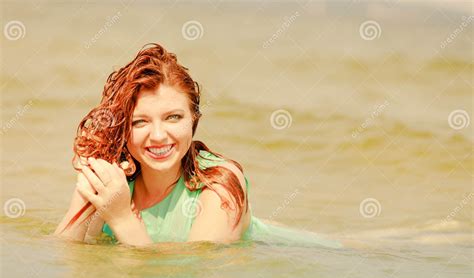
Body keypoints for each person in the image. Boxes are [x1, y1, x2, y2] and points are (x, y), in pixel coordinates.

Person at [55, 43, 341, 249]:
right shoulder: (116, 185)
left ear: (194, 120)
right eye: (139, 122)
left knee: (369, 247)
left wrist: (121, 218)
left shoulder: (221, 184)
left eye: (173, 117)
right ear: (122, 130)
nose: (158, 136)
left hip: (311, 250)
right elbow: (65, 256)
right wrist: (86, 196)